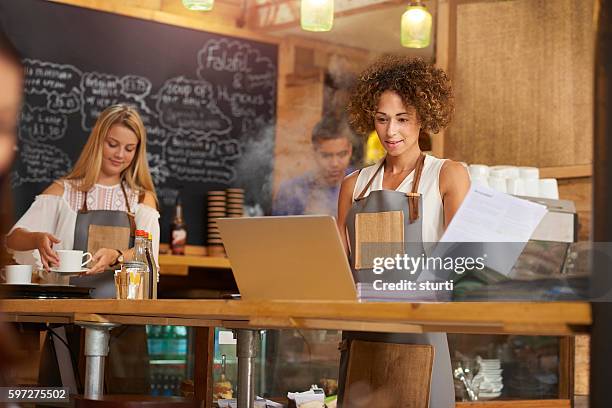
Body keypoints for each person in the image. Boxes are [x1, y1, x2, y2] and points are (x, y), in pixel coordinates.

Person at [336, 56, 470, 407]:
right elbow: (339, 268)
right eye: (381, 119)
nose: (390, 132)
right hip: (363, 335)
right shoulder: (354, 185)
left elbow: (462, 264)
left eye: (402, 119)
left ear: (422, 117)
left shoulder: (447, 175)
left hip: (421, 336)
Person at [6, 103, 160, 278]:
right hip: (64, 301)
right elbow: (13, 239)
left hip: (121, 302)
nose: (120, 154)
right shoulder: (64, 192)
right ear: (97, 142)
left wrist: (117, 256)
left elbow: (148, 254)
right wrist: (36, 239)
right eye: (112, 144)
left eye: (129, 148)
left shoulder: (141, 199)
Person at [272, 115, 353, 217]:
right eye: (326, 156)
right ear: (313, 152)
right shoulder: (292, 192)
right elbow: (278, 231)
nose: (335, 163)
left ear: (350, 151)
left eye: (342, 154)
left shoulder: (362, 186)